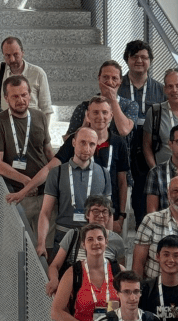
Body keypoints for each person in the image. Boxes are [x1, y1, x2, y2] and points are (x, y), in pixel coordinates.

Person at [0, 75, 54, 241]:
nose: (21, 100)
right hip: (17, 196)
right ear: (6, 98)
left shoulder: (39, 117)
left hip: (45, 194)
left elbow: (48, 153)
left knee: (46, 245)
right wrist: (26, 181)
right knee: (15, 247)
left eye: (24, 95)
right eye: (15, 96)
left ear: (30, 94)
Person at [53, 95, 129, 228]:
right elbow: (51, 167)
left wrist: (121, 216)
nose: (100, 116)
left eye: (105, 112)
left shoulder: (119, 143)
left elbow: (122, 181)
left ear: (111, 115)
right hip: (79, 214)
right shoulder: (75, 140)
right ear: (88, 115)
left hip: (108, 213)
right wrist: (25, 189)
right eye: (95, 112)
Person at [36, 127, 111, 259]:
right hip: (63, 237)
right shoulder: (57, 173)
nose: (87, 148)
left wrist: (108, 242)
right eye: (82, 142)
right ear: (73, 142)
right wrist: (41, 243)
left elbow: (108, 214)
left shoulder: (104, 173)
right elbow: (45, 212)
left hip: (92, 240)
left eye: (92, 144)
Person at [118, 40, 166, 226]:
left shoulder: (160, 90)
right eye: (134, 57)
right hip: (122, 144)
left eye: (144, 57)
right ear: (127, 59)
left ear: (151, 61)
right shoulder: (118, 86)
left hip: (149, 147)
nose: (139, 61)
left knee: (143, 195)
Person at [45, 196, 125, 297]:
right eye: (95, 211)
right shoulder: (74, 235)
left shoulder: (117, 241)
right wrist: (54, 280)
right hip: (75, 291)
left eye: (105, 211)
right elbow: (54, 266)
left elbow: (120, 274)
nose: (100, 215)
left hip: (106, 294)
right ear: (87, 214)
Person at [51, 223, 119, 321]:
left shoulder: (119, 271)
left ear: (106, 242)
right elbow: (56, 312)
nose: (96, 242)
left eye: (100, 238)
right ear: (83, 244)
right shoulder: (73, 272)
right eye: (90, 239)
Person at [65, 60, 139, 141]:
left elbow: (124, 130)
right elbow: (68, 141)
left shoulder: (130, 105)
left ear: (120, 81)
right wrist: (84, 127)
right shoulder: (84, 107)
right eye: (105, 77)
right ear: (99, 78)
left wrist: (113, 99)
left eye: (114, 78)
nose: (110, 82)